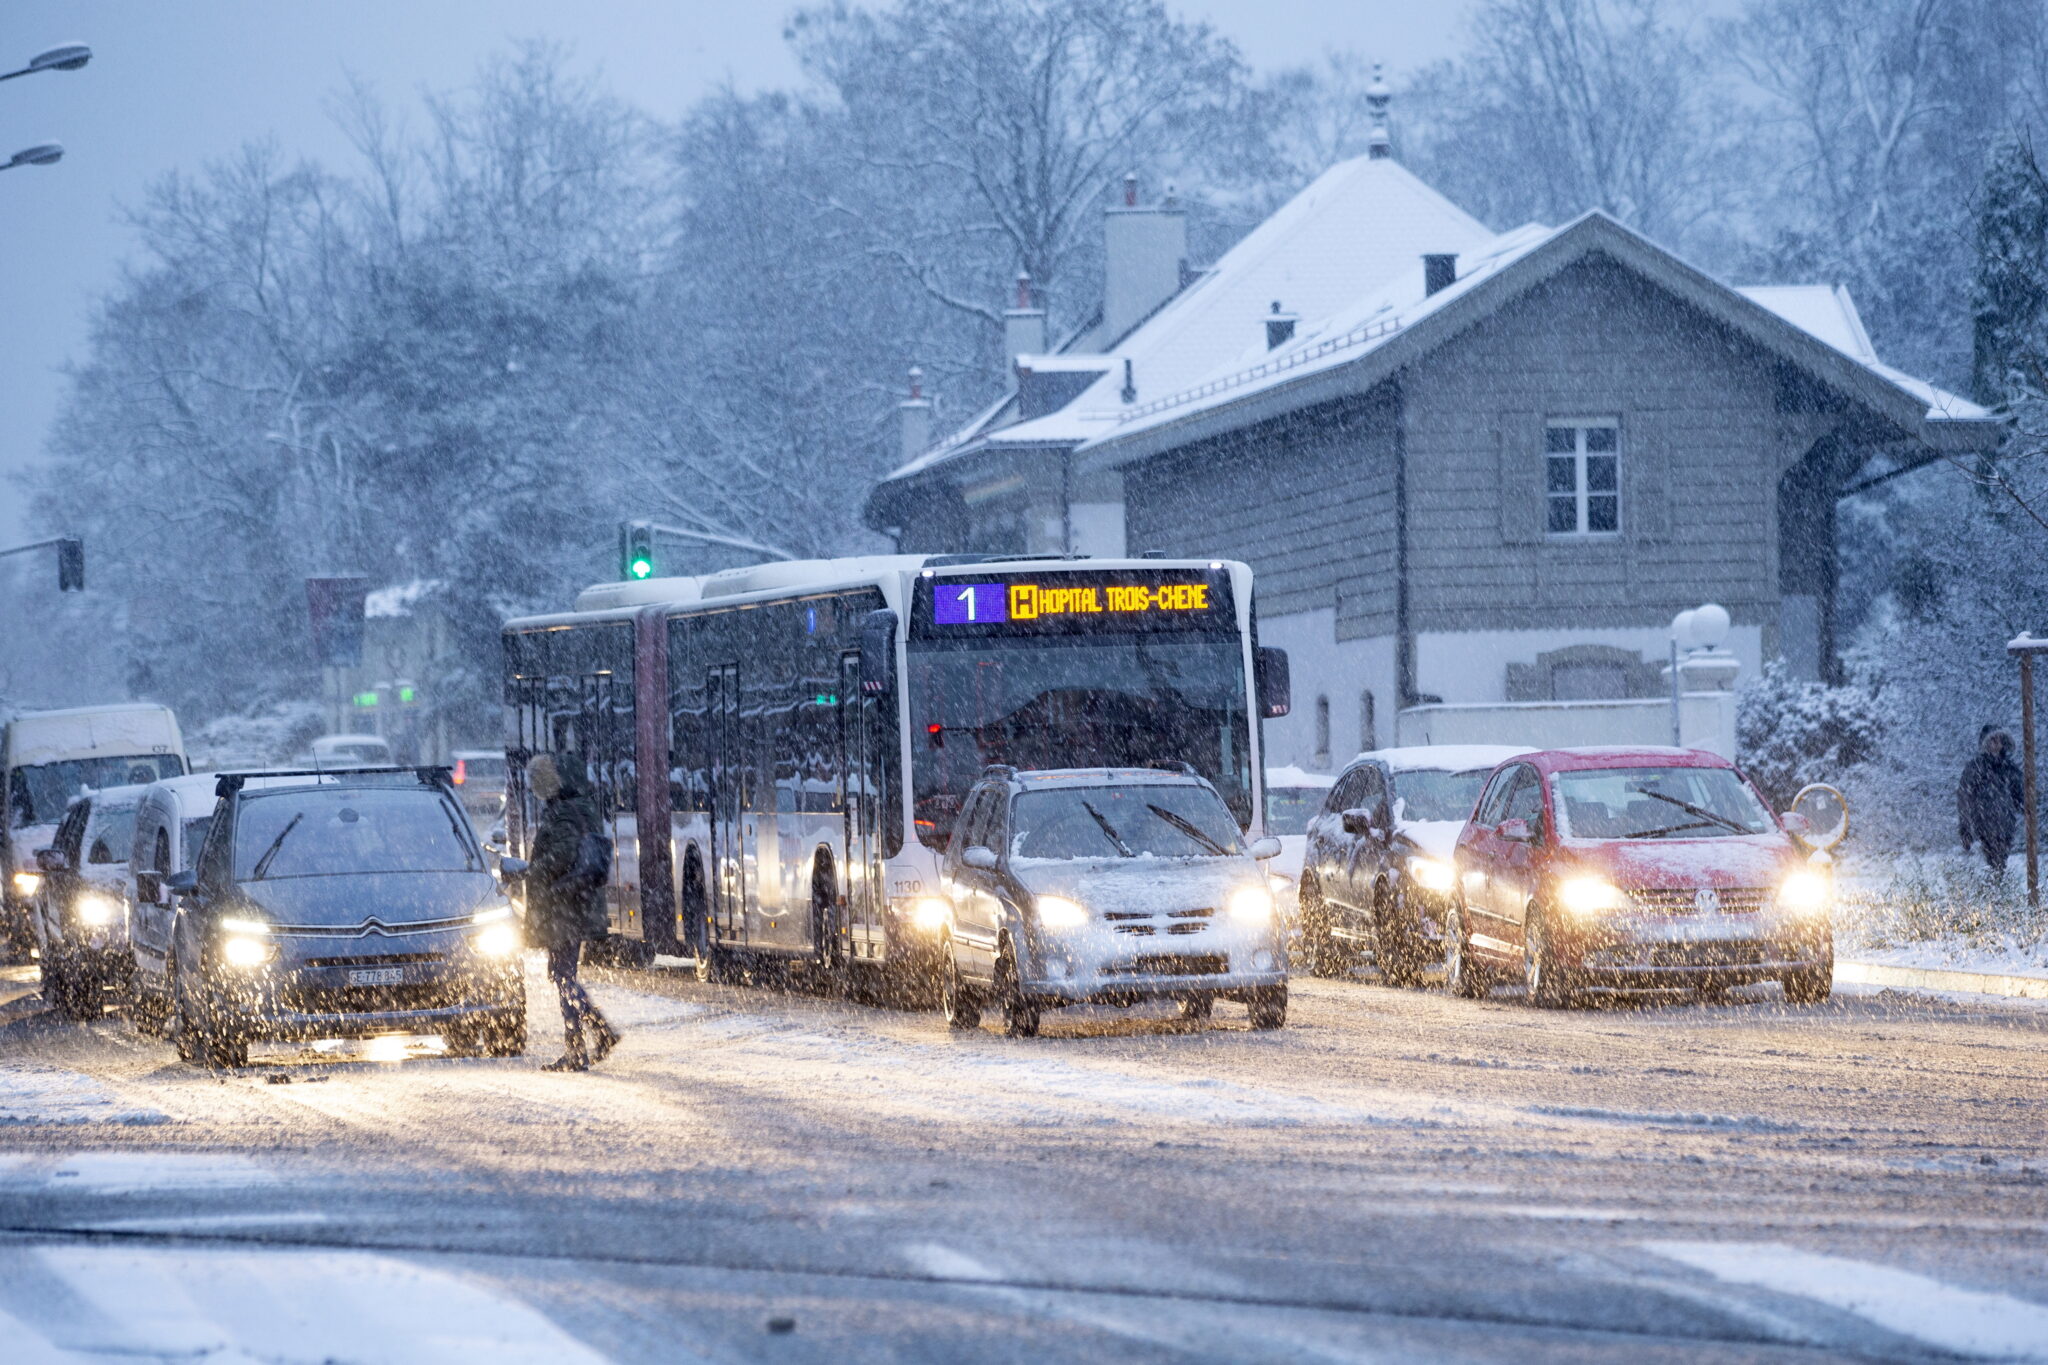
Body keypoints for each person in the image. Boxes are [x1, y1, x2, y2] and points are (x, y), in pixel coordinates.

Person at [525, 753, 622, 1071]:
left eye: (537, 780)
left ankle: (590, 1040)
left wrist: (531, 871)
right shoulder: (578, 805)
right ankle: (585, 1042)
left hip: (565, 904)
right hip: (574, 903)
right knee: (563, 975)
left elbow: (562, 855)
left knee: (564, 976)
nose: (534, 786)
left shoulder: (564, 811)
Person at [1958, 725, 2025, 878]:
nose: (1996, 743)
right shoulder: (1976, 768)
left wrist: (2026, 807)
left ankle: (1997, 890)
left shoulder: (2009, 768)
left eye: (1999, 740)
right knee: (1984, 866)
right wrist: (1965, 828)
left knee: (2000, 863)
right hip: (1981, 824)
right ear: (1985, 742)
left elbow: (2020, 795)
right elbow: (1964, 798)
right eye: (1993, 739)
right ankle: (1987, 892)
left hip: (2005, 825)